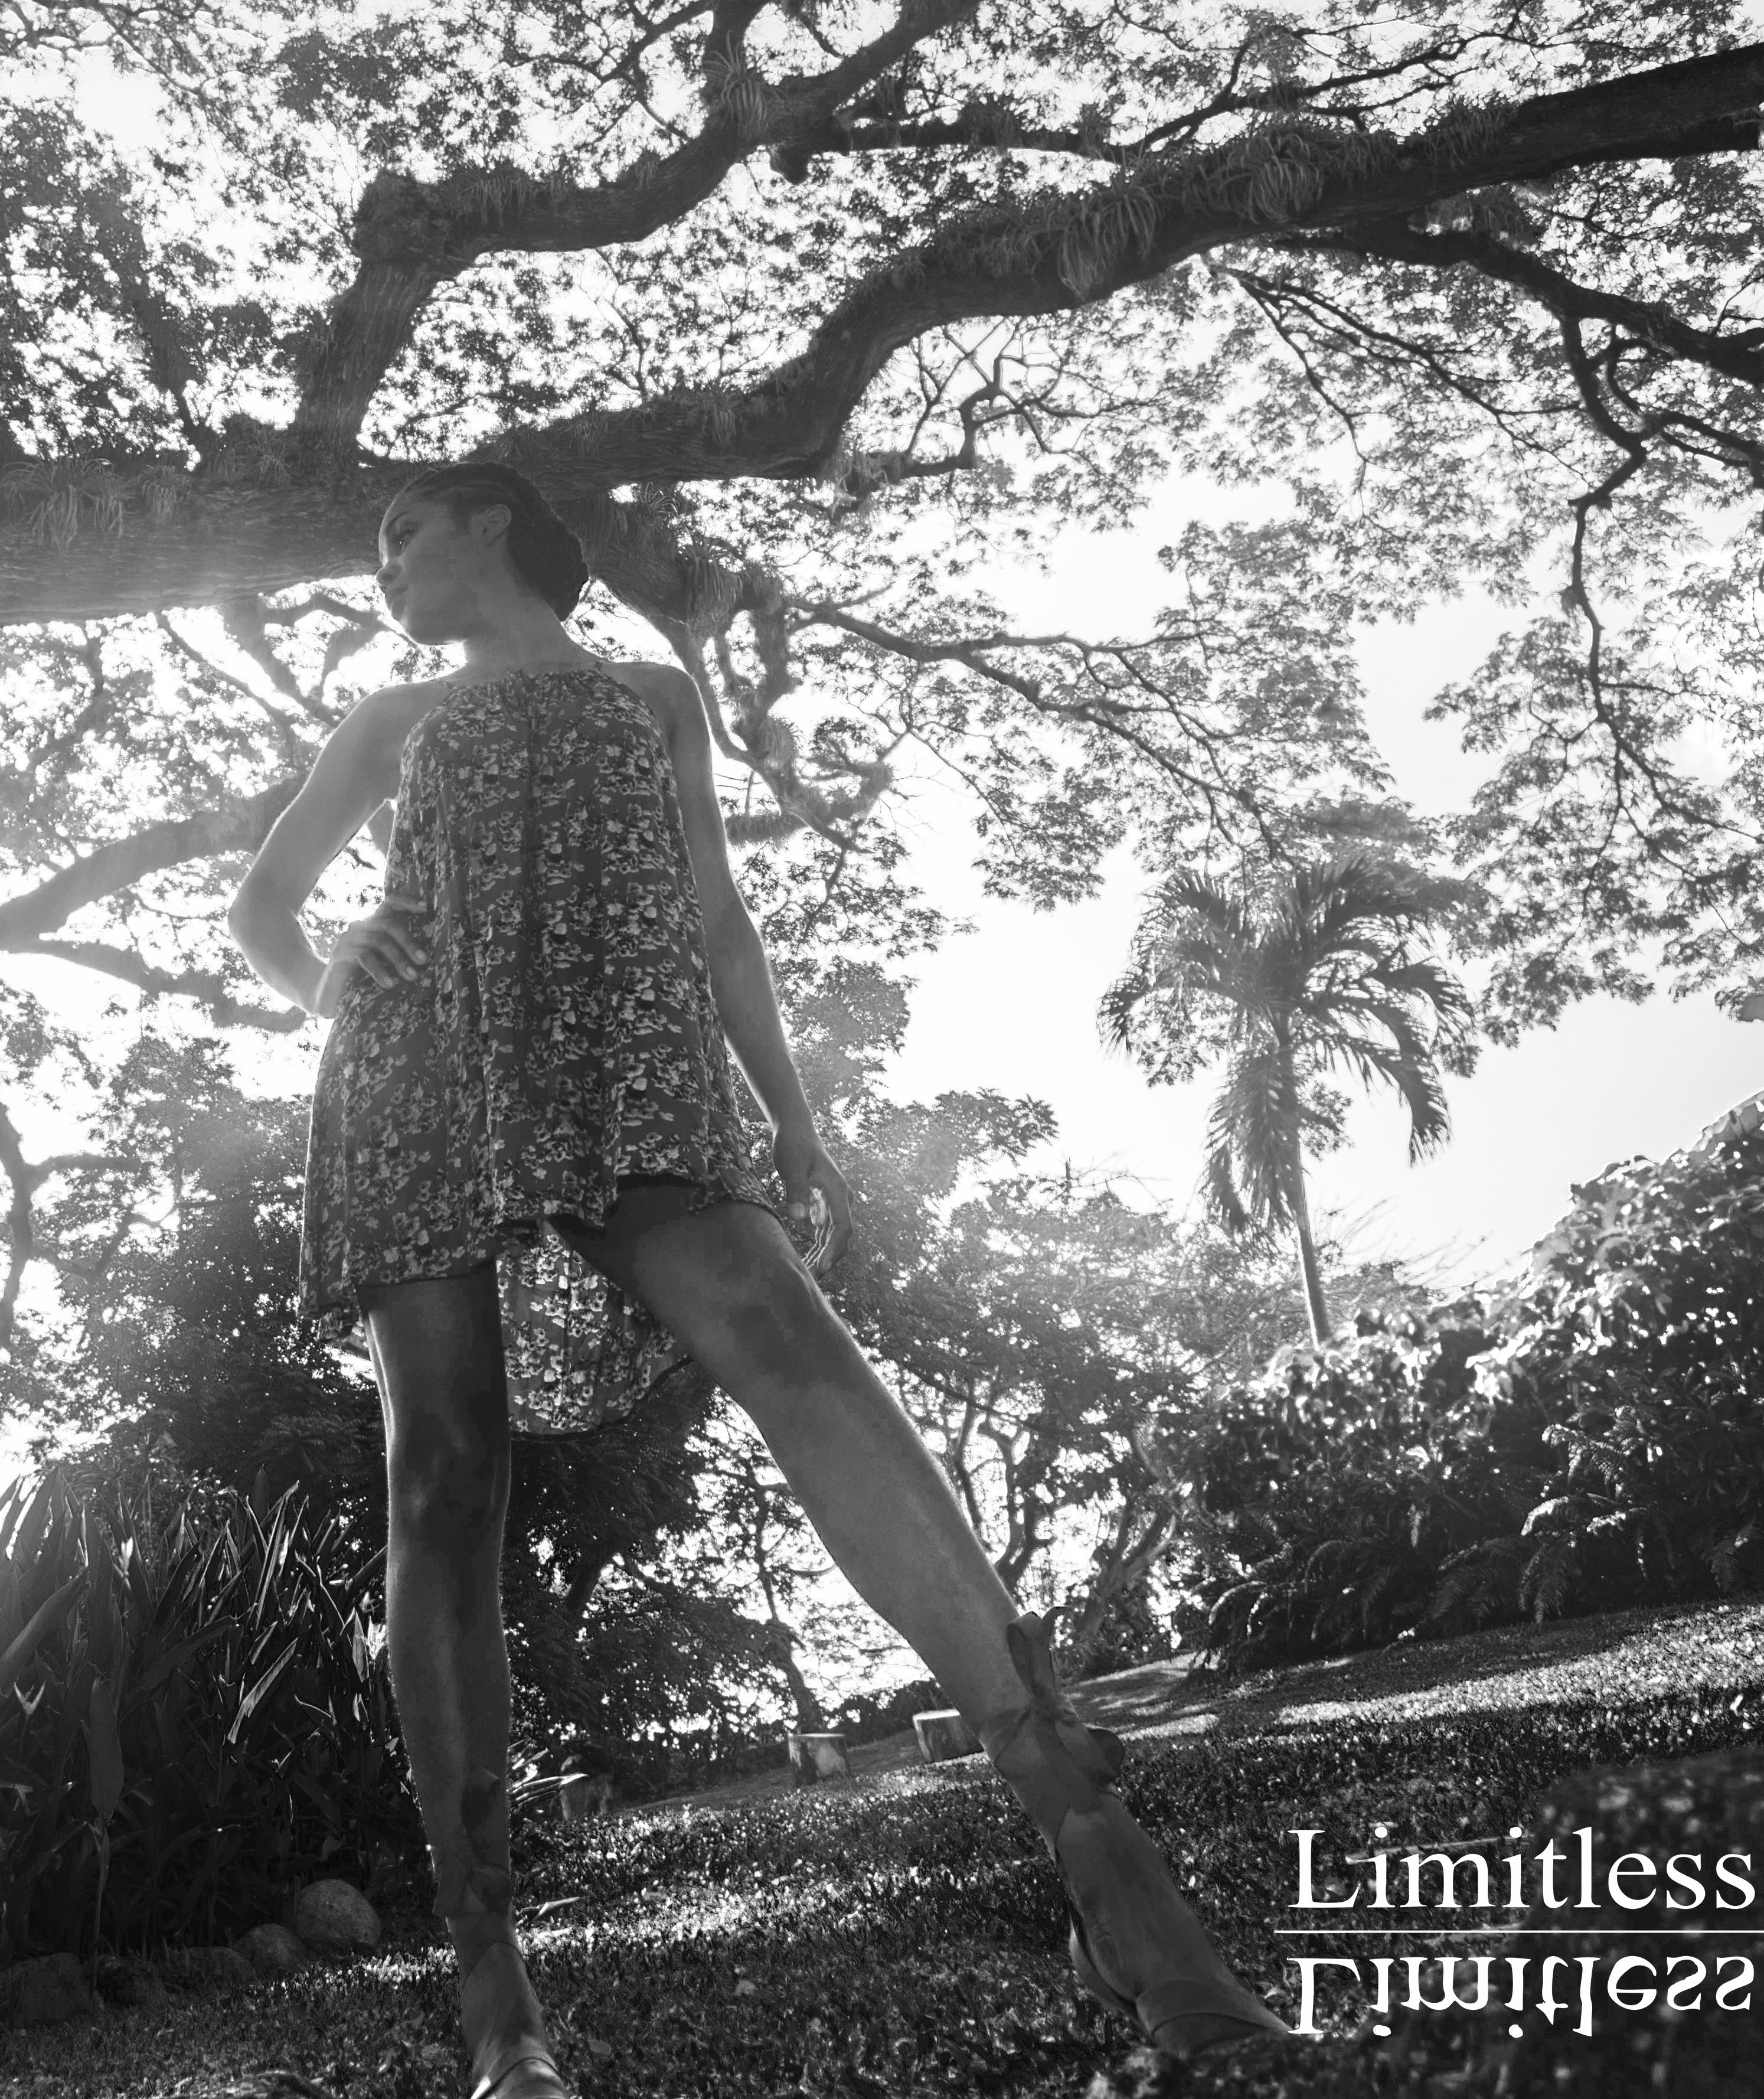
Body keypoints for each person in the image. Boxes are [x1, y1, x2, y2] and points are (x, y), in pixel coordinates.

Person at [226, 462, 1289, 2099]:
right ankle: (497, 1990)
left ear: (496, 524)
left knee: (792, 1343)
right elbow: (262, 909)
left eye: (403, 534)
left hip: (629, 1057)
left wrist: (792, 1116)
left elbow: (719, 920)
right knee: (443, 1475)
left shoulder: (654, 698)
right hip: (417, 1082)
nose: (384, 569)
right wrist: (325, 976)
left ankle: (1093, 1841)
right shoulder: (387, 722)